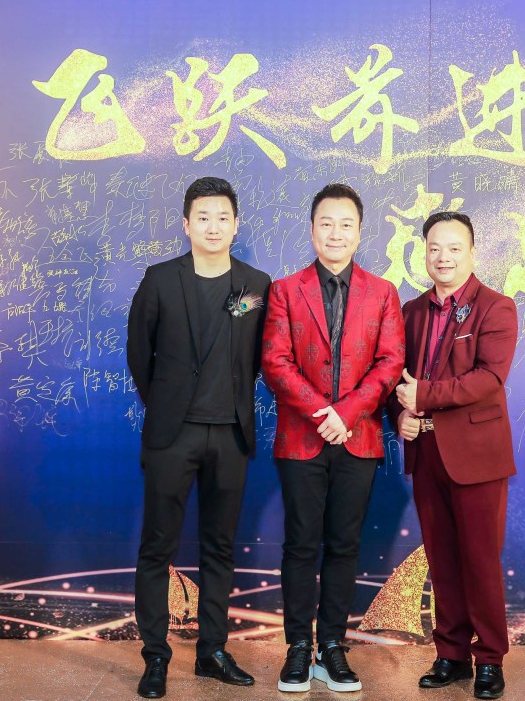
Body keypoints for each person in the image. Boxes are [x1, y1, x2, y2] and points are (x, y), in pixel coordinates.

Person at [126, 177, 271, 699]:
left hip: (230, 434)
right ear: (186, 224)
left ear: (236, 224)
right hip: (173, 434)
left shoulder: (254, 284)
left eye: (222, 217)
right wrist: (167, 403)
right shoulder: (160, 279)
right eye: (203, 217)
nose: (213, 226)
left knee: (219, 547)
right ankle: (155, 657)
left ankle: (212, 651)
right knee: (157, 547)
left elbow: (259, 356)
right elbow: (139, 352)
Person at [262, 183, 405, 693]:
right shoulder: (285, 290)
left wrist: (346, 414)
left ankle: (332, 647)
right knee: (301, 544)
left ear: (360, 232)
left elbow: (390, 362)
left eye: (346, 225)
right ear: (312, 229)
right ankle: (298, 648)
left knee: (344, 545)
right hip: (301, 437)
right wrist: (323, 413)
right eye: (327, 223)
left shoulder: (383, 293)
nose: (336, 233)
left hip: (358, 437)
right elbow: (275, 362)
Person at [388, 211, 518, 700]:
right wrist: (399, 416)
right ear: (424, 253)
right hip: (427, 454)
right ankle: (452, 654)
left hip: (478, 457)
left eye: (454, 248)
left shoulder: (497, 307)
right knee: (440, 560)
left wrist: (423, 397)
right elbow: (396, 380)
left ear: (472, 253)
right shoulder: (411, 311)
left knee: (479, 561)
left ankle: (490, 659)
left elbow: (488, 379)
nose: (443, 257)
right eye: (434, 248)